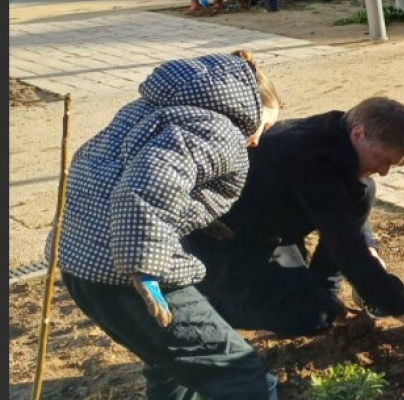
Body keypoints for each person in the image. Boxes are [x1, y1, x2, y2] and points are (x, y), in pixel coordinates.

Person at [45, 50, 281, 400]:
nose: (258, 140)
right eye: (265, 126)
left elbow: (112, 171)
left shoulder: (150, 109)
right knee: (242, 375)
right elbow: (149, 182)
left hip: (79, 261)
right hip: (126, 272)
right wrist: (145, 269)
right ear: (249, 108)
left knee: (174, 366)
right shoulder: (221, 130)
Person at [185, 96, 404, 359]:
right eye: (383, 159)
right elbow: (345, 246)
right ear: (358, 134)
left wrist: (369, 249)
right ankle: (210, 306)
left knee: (364, 190)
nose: (383, 171)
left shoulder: (336, 136)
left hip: (271, 232)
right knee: (313, 317)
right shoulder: (311, 159)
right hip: (225, 248)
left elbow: (343, 214)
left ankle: (325, 296)